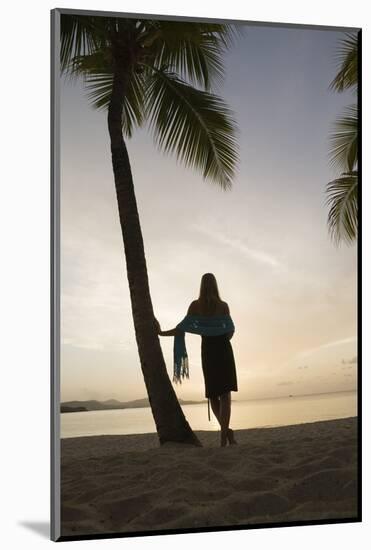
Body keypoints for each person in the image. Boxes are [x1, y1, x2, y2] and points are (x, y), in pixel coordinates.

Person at [155, 273, 238, 447]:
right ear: (216, 285)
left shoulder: (195, 306)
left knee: (213, 394)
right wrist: (219, 335)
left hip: (208, 350)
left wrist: (161, 333)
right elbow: (230, 330)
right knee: (225, 395)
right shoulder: (223, 306)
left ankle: (225, 433)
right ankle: (225, 435)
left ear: (201, 286)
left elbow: (180, 328)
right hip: (223, 349)